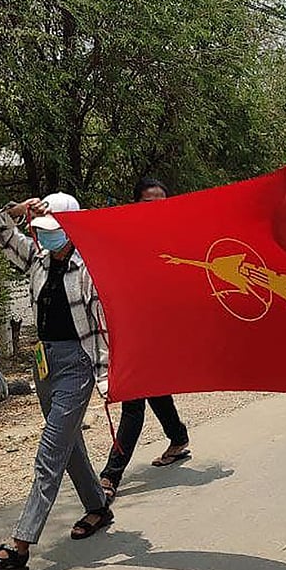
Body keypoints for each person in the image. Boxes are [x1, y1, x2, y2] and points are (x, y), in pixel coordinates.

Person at [0, 193, 112, 570]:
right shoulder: (36, 260)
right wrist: (16, 211)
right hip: (45, 363)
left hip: (77, 364)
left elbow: (100, 328)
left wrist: (104, 377)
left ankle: (19, 546)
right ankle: (98, 506)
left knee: (49, 452)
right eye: (42, 231)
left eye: (54, 230)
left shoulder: (87, 270)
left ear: (71, 228)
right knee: (67, 444)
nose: (46, 237)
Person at [98, 179, 190, 504]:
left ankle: (110, 475)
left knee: (134, 397)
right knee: (150, 387)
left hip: (159, 327)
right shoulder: (125, 235)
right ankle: (178, 438)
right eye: (149, 200)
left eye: (162, 200)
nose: (156, 205)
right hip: (131, 327)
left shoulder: (173, 235)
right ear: (135, 202)